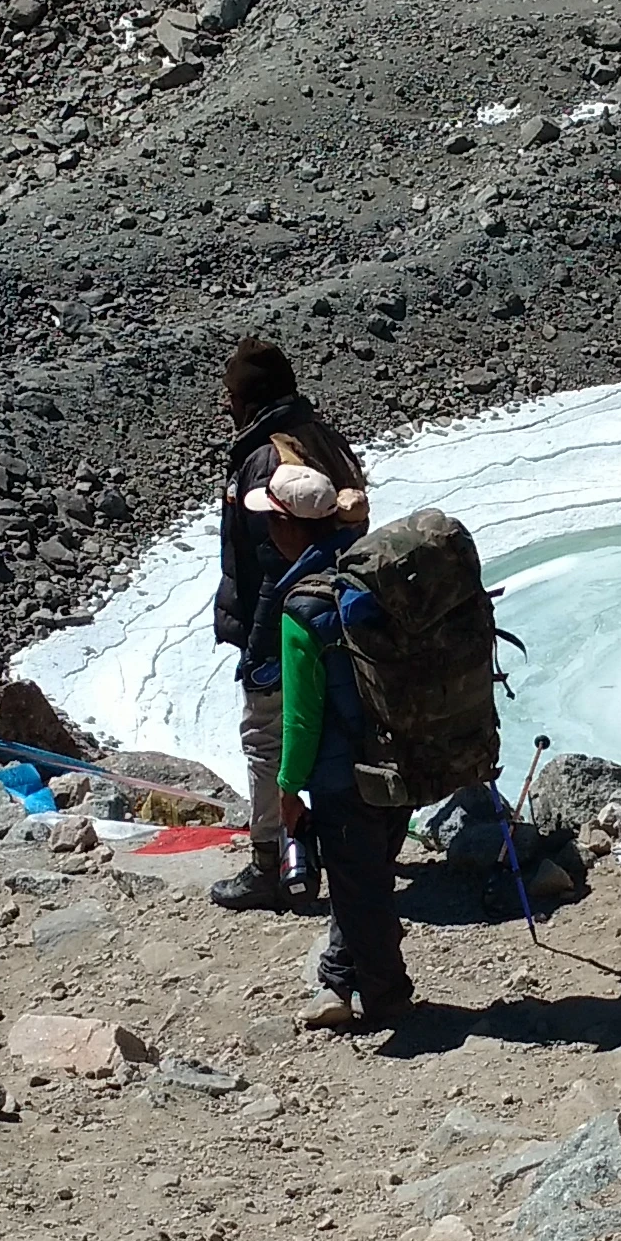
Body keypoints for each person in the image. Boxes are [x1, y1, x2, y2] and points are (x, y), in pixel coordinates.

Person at [207, 337, 367, 913]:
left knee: (266, 744)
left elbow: (275, 567)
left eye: (230, 395)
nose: (225, 406)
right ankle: (334, 849)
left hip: (287, 627)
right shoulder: (312, 434)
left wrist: (257, 653)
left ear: (252, 397)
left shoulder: (266, 459)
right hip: (334, 618)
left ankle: (269, 867)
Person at [264, 471, 413, 1033]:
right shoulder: (374, 575)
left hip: (343, 775)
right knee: (366, 877)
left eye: (271, 519)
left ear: (288, 526)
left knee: (360, 888)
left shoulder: (303, 605)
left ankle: (388, 999)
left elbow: (301, 717)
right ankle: (337, 982)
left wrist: (287, 786)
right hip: (404, 757)